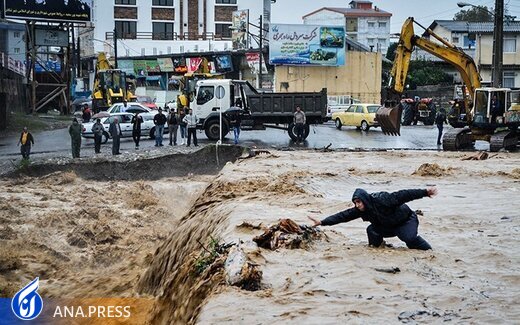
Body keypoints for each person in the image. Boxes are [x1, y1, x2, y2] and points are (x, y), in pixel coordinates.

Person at [308, 187, 438, 250]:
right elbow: (343, 216)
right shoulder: (360, 210)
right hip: (388, 226)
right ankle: (378, 248)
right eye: (355, 203)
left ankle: (428, 252)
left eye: (359, 202)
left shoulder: (383, 199)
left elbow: (404, 195)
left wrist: (425, 192)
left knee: (408, 238)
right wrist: (322, 222)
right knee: (372, 230)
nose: (357, 205)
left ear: (365, 199)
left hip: (406, 221)